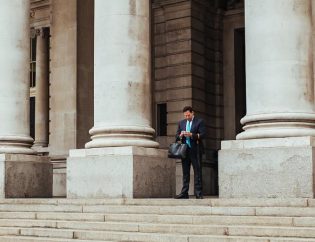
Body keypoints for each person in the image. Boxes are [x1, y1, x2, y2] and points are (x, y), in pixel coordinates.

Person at [175, 106, 206, 199]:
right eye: (185, 115)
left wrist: (192, 135)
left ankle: (198, 193)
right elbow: (176, 136)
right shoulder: (181, 123)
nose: (187, 117)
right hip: (184, 150)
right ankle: (184, 193)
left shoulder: (199, 121)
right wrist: (180, 135)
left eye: (188, 115)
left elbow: (203, 134)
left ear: (193, 113)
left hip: (195, 149)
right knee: (185, 172)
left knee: (197, 171)